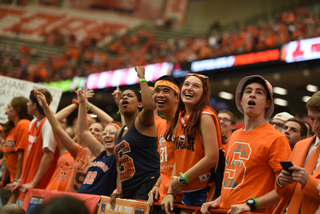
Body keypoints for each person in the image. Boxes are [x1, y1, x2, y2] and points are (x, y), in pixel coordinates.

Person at [201, 75, 291, 214]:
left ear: (268, 103)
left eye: (259, 92)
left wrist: (251, 204)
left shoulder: (277, 139)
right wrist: (219, 200)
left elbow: (284, 189)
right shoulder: (235, 135)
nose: (252, 95)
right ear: (241, 100)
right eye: (248, 91)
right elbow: (233, 181)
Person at [162, 73, 222, 214]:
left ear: (203, 94)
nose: (189, 88)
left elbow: (212, 157)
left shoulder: (205, 116)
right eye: (187, 84)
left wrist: (183, 179)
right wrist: (171, 192)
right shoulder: (180, 117)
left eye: (196, 86)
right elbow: (179, 157)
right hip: (186, 190)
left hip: (204, 189)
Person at [111, 66, 160, 205]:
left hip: (147, 184)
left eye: (130, 95)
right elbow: (119, 165)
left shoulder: (142, 122)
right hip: (129, 189)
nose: (125, 97)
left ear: (140, 104)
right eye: (123, 97)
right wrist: (119, 189)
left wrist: (141, 77)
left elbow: (149, 107)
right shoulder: (118, 132)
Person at [273, 90, 320, 214]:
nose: (315, 125)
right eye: (311, 119)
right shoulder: (300, 145)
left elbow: (308, 184)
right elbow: (283, 192)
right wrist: (281, 182)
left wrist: (309, 182)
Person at [15, 89, 60, 206]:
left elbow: (49, 156)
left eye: (29, 101)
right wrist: (20, 180)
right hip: (26, 186)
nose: (27, 104)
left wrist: (34, 182)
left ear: (35, 105)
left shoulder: (48, 123)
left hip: (38, 188)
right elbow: (28, 156)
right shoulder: (33, 123)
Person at [76, 84, 118, 195]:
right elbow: (84, 131)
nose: (107, 135)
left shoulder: (118, 156)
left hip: (97, 203)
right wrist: (82, 103)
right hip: (81, 197)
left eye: (112, 133)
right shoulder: (101, 152)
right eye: (104, 133)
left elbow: (110, 121)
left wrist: (120, 105)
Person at [147, 76, 181, 211]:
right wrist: (156, 186)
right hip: (161, 196)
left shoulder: (182, 123)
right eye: (157, 91)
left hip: (176, 199)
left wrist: (171, 192)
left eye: (166, 91)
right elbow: (166, 165)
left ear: (177, 97)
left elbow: (182, 161)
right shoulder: (162, 126)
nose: (160, 94)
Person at [1, 97, 33, 204]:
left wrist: (17, 180)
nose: (7, 110)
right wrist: (2, 180)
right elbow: (7, 157)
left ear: (17, 110)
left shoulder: (23, 124)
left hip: (22, 181)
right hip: (14, 181)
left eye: (9, 107)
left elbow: (22, 155)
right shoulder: (10, 130)